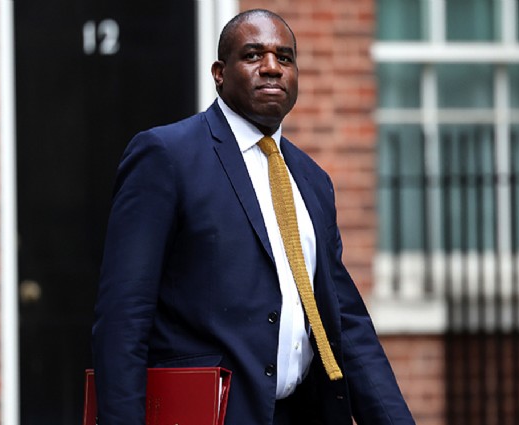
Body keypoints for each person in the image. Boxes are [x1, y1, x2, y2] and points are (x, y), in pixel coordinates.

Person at [92, 8, 415, 425]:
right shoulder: (167, 156)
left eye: (285, 57)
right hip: (206, 415)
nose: (272, 67)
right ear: (219, 73)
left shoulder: (313, 181)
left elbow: (346, 322)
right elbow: (124, 315)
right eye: (253, 55)